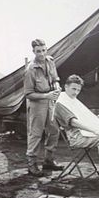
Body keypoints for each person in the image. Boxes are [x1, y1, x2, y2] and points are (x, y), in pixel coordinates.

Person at [24, 39, 64, 177]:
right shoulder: (31, 69)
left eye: (43, 50)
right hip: (37, 104)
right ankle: (32, 164)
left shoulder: (50, 61)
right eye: (38, 51)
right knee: (36, 134)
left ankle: (48, 160)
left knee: (54, 130)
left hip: (50, 102)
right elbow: (28, 94)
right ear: (33, 51)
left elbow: (55, 78)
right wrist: (46, 95)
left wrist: (57, 85)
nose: (41, 53)